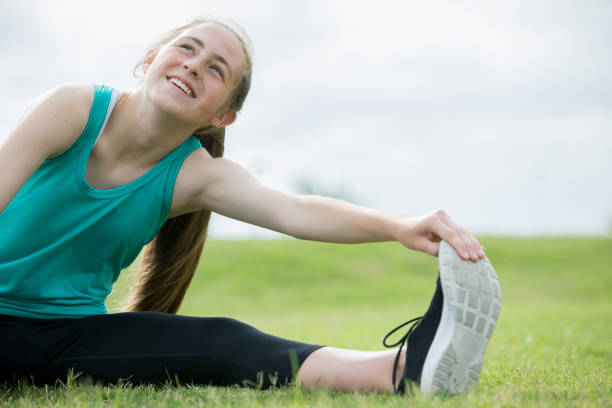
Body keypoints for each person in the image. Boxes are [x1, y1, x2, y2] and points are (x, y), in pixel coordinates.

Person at [0, 16, 500, 395]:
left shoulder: (196, 175)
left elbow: (297, 210)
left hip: (66, 336)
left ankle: (403, 371)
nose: (194, 65)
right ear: (151, 59)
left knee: (222, 339)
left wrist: (398, 226)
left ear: (223, 114)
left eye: (215, 69)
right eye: (186, 50)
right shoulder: (73, 109)